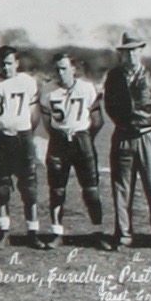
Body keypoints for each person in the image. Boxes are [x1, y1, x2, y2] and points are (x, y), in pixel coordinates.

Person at [103, 34, 151, 250]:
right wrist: (125, 125)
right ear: (121, 53)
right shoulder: (114, 76)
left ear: (141, 51)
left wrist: (150, 128)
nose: (131, 54)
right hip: (123, 135)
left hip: (148, 136)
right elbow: (109, 105)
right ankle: (124, 234)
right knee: (122, 187)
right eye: (126, 51)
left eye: (134, 50)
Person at [38, 53, 108, 249]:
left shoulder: (86, 88)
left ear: (73, 69)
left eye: (64, 68)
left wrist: (84, 137)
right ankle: (56, 232)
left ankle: (98, 231)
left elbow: (98, 120)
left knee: (91, 190)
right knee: (57, 189)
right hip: (59, 142)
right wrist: (60, 136)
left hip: (82, 140)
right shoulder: (48, 90)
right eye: (57, 69)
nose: (60, 73)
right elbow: (47, 123)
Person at [0, 46, 44, 247]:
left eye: (9, 63)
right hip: (0, 139)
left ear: (16, 63)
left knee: (29, 186)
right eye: (2, 63)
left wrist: (22, 130)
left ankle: (33, 230)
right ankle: (3, 231)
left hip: (22, 138)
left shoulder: (27, 82)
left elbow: (34, 114)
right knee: (1, 186)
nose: (6, 67)